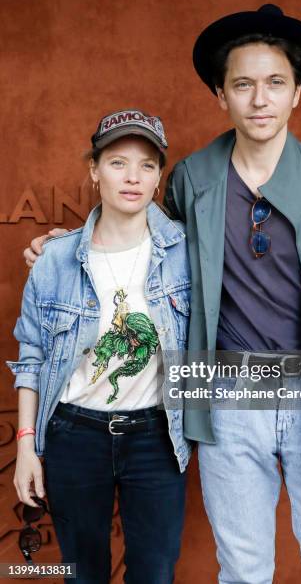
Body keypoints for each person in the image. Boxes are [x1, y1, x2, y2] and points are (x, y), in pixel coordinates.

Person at [24, 5, 301, 583]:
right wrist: (62, 247)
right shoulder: (194, 179)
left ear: (297, 92)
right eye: (242, 84)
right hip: (225, 389)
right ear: (220, 95)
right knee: (242, 570)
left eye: (275, 83)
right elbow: (141, 243)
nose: (259, 99)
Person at [8, 108, 192, 584]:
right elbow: (32, 356)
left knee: (154, 573)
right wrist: (28, 447)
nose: (132, 176)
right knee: (81, 574)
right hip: (75, 435)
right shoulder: (54, 260)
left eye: (147, 165)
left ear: (158, 179)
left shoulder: (187, 255)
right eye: (117, 162)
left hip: (157, 437)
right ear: (94, 171)